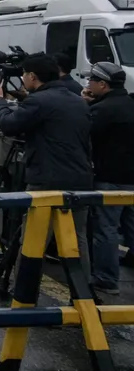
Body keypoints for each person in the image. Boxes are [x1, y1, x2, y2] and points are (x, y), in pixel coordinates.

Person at [0, 53, 94, 277]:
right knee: (77, 239)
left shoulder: (38, 101)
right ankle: (83, 292)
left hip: (47, 181)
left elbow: (9, 125)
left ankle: (23, 296)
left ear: (32, 76)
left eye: (23, 74)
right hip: (80, 177)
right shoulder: (77, 99)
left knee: (33, 239)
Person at [82, 62, 134, 294]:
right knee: (131, 227)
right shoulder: (129, 104)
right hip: (131, 177)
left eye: (91, 81)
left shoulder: (102, 111)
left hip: (109, 176)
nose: (88, 84)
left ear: (103, 84)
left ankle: (106, 278)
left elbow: (86, 136)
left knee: (106, 229)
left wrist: (87, 107)